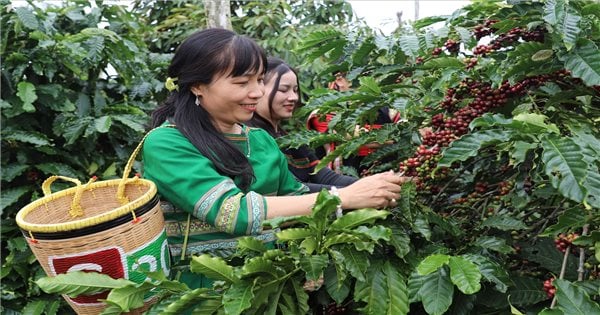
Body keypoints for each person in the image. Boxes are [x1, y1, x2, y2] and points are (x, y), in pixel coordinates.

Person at [142, 28, 408, 289]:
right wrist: (344, 197)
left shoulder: (261, 139)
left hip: (272, 287)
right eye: (242, 82)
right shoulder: (166, 143)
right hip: (203, 294)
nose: (257, 92)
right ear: (198, 86)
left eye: (259, 79)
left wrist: (377, 190)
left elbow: (296, 202)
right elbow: (233, 213)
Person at [246, 57, 357, 192]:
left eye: (295, 90)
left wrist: (374, 185)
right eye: (283, 89)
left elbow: (324, 177)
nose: (294, 97)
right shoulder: (250, 138)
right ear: (259, 89)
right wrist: (352, 194)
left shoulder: (289, 141)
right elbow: (292, 189)